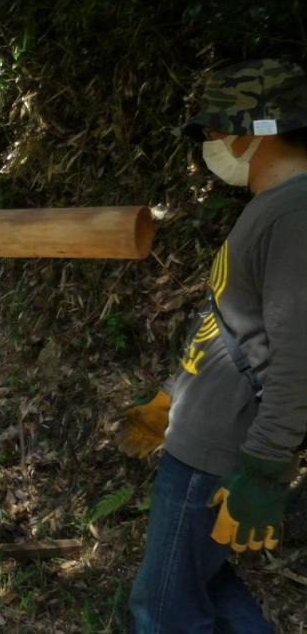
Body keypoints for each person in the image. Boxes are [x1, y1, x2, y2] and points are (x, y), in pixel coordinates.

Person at [120, 59, 307, 632]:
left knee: (161, 612)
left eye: (215, 131)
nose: (213, 145)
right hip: (202, 439)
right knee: (203, 586)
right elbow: (231, 322)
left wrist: (264, 468)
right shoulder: (274, 207)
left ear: (254, 130)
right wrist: (175, 395)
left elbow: (299, 352)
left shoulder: (295, 214)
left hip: (217, 454)